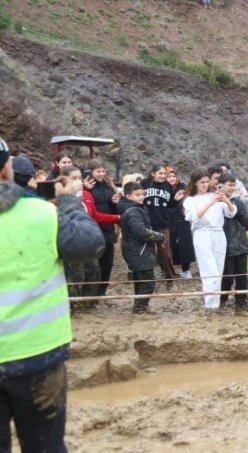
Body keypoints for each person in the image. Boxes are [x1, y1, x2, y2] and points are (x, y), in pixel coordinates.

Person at [1, 137, 104, 453]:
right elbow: (91, 244)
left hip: (38, 355)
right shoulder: (43, 213)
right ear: (6, 170)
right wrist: (69, 202)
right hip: (38, 355)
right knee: (45, 446)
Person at [183, 168, 237, 315]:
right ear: (195, 183)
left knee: (218, 271)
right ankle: (210, 305)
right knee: (209, 271)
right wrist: (210, 202)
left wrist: (226, 200)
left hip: (218, 234)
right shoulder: (190, 200)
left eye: (207, 181)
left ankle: (215, 304)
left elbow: (231, 213)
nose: (205, 185)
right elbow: (194, 217)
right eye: (202, 182)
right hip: (202, 234)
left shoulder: (215, 195)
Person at [119, 181, 165, 314]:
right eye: (137, 195)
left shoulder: (136, 209)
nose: (141, 197)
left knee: (140, 281)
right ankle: (140, 307)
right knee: (147, 282)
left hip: (137, 249)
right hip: (138, 250)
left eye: (142, 194)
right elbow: (141, 232)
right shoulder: (133, 211)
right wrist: (160, 236)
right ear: (128, 196)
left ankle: (139, 306)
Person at [60, 166, 105, 304]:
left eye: (79, 178)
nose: (78, 181)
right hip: (70, 240)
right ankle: (73, 304)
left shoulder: (86, 195)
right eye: (74, 178)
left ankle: (88, 302)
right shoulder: (59, 197)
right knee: (75, 275)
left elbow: (93, 215)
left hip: (86, 239)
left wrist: (116, 218)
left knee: (94, 272)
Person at [141, 164, 185, 283]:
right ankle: (147, 278)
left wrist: (175, 199)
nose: (163, 176)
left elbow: (170, 204)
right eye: (160, 173)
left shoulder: (167, 185)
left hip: (162, 223)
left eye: (164, 174)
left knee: (165, 253)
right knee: (146, 251)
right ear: (153, 173)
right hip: (146, 223)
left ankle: (170, 277)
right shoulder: (144, 183)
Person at [85, 160, 121, 297]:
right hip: (93, 230)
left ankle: (101, 294)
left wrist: (115, 203)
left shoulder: (108, 187)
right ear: (91, 172)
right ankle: (90, 294)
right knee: (94, 266)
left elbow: (115, 209)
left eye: (102, 171)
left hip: (108, 230)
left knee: (107, 265)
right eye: (97, 171)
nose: (100, 174)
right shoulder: (86, 188)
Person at [218, 173, 248, 315]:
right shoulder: (215, 202)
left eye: (234, 185)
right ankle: (220, 302)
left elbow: (246, 222)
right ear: (221, 185)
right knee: (226, 277)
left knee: (242, 278)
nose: (232, 188)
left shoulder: (238, 202)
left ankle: (241, 306)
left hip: (240, 245)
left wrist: (235, 208)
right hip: (224, 246)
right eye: (229, 185)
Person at [166, 166, 195, 278]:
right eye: (169, 176)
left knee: (185, 244)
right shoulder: (164, 189)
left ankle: (186, 269)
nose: (172, 178)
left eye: (173, 176)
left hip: (182, 218)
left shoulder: (183, 187)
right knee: (169, 244)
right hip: (168, 219)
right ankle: (168, 269)